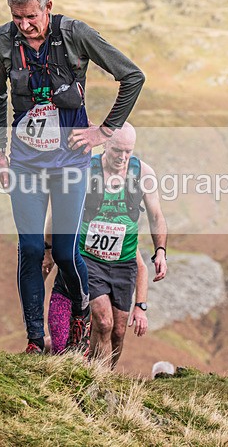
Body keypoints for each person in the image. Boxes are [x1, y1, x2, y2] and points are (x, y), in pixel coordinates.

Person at [0, 0, 145, 354]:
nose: (24, 25)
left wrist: (103, 132)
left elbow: (132, 77)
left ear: (48, 8)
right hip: (25, 163)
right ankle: (34, 340)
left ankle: (79, 311)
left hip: (71, 162)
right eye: (16, 17)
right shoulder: (0, 41)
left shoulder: (75, 34)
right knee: (29, 250)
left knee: (64, 252)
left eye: (31, 17)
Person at [49, 123, 168, 367]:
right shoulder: (85, 169)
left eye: (128, 151)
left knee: (118, 331)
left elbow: (156, 215)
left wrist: (160, 251)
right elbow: (58, 209)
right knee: (103, 322)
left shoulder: (143, 174)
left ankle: (105, 377)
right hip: (88, 258)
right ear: (105, 145)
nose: (122, 157)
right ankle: (95, 378)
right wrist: (48, 247)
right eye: (117, 150)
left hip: (124, 263)